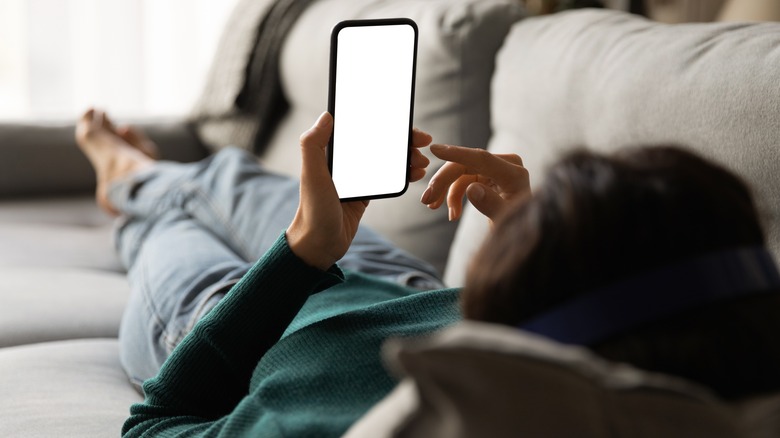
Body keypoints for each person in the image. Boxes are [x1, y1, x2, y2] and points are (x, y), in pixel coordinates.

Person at [74, 108, 780, 437]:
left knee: (172, 219)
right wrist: (540, 237)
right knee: (231, 171)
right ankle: (153, 175)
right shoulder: (705, 340)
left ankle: (126, 174)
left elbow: (157, 424)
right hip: (406, 285)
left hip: (243, 318)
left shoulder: (317, 428)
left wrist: (303, 253)